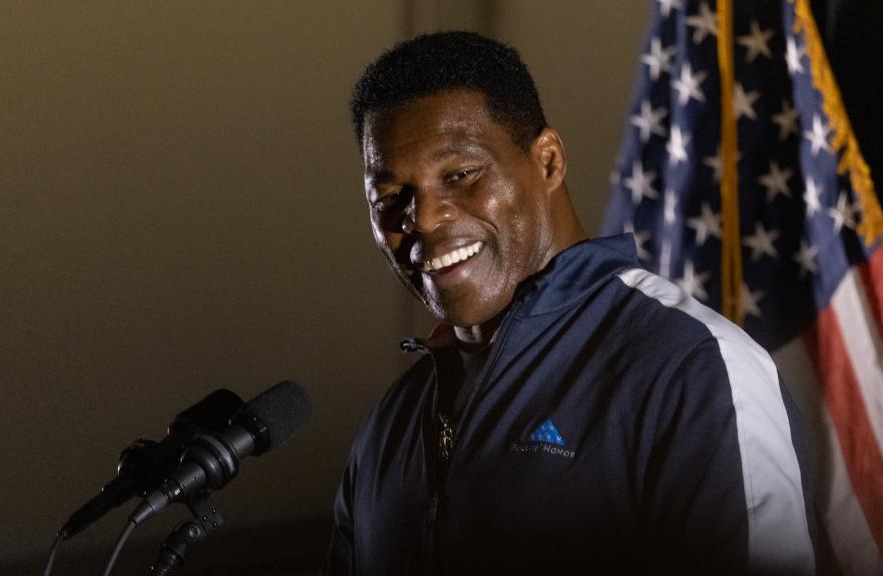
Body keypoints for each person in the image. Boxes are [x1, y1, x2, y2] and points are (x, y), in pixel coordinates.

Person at [326, 31, 816, 575]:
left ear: (550, 162)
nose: (422, 218)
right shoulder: (389, 424)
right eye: (390, 198)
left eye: (459, 176)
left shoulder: (691, 367)